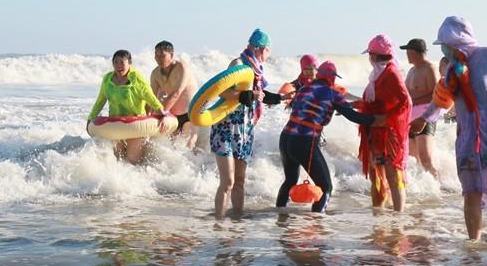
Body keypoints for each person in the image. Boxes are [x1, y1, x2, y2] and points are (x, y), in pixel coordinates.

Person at [412, 16, 487, 241]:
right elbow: (441, 101)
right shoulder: (451, 71)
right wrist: (424, 119)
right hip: (468, 139)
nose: (445, 51)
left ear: (459, 42)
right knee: (471, 191)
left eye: (447, 45)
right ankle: (473, 243)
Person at [276, 61, 382, 213]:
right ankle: (318, 221)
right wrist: (375, 121)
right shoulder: (332, 94)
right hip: (304, 141)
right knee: (326, 187)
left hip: (285, 139)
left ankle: (279, 216)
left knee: (290, 181)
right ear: (332, 78)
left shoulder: (304, 88)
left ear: (318, 75)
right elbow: (352, 116)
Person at [211, 29, 283, 218]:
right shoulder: (238, 64)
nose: (269, 55)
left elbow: (259, 95)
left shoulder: (258, 69)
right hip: (226, 127)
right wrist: (248, 95)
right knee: (227, 181)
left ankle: (236, 223)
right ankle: (218, 226)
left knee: (240, 181)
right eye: (269, 50)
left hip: (245, 129)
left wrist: (280, 98)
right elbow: (221, 92)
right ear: (261, 48)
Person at [357, 34, 412, 212]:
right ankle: (378, 213)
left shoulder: (392, 73)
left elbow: (406, 102)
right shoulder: (377, 74)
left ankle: (398, 217)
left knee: (393, 175)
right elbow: (376, 102)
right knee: (376, 174)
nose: (369, 58)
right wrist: (357, 105)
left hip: (390, 135)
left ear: (374, 56)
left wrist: (387, 119)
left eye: (370, 54)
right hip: (375, 133)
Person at [88, 50, 173, 165]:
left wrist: (164, 115)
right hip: (116, 125)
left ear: (130, 63)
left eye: (122, 62)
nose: (119, 66)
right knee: (118, 160)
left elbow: (151, 99)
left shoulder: (137, 79)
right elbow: (100, 101)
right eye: (116, 62)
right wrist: (90, 119)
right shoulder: (107, 79)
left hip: (136, 125)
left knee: (132, 160)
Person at [401, 38, 440, 178]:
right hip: (410, 118)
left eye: (407, 51)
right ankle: (422, 193)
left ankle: (439, 189)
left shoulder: (430, 68)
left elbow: (436, 95)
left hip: (425, 117)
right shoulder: (412, 70)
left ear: (414, 52)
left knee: (426, 159)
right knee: (413, 160)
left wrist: (413, 101)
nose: (406, 54)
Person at [149, 40, 198, 150]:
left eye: (162, 56)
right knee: (172, 149)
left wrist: (163, 114)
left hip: (190, 114)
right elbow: (151, 98)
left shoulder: (182, 68)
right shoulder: (155, 73)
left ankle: (200, 166)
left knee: (187, 148)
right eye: (156, 55)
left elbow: (176, 93)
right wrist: (146, 116)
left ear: (171, 55)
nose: (158, 59)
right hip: (172, 115)